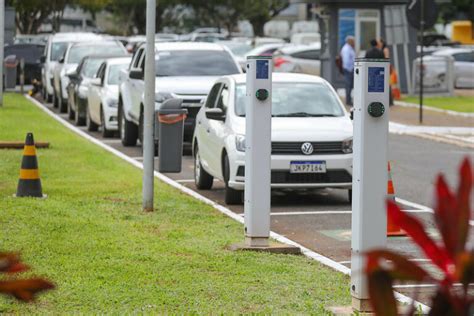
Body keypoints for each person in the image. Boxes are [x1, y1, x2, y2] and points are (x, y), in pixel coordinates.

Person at [340, 35, 355, 106]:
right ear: (349, 41)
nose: (354, 42)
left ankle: (349, 100)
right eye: (353, 41)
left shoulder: (349, 48)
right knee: (348, 85)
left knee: (350, 85)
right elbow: (346, 61)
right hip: (348, 70)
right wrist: (350, 69)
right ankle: (348, 101)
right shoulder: (346, 49)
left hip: (350, 69)